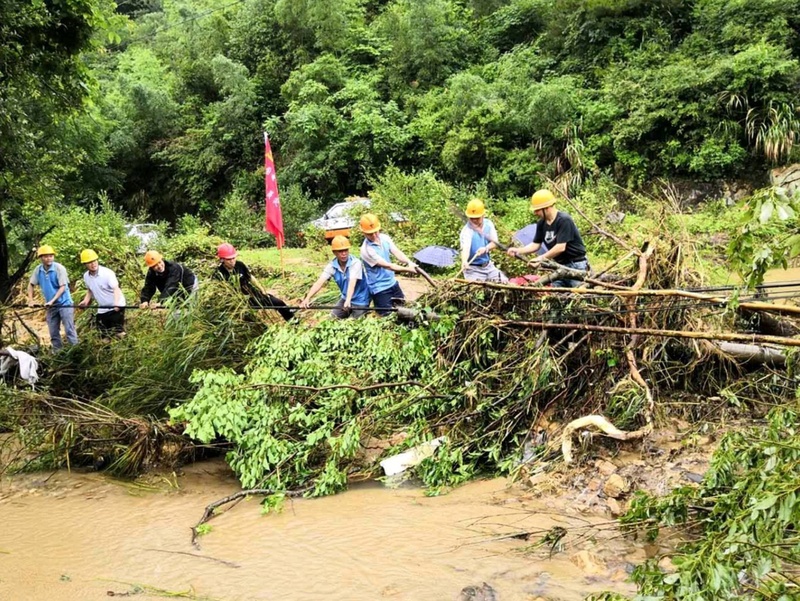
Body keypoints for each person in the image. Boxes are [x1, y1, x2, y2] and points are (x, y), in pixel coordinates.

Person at [507, 189, 589, 288]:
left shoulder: (564, 220)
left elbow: (560, 247)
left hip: (575, 265)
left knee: (579, 296)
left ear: (546, 208)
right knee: (557, 296)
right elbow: (535, 245)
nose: (535, 213)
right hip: (558, 266)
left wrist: (540, 259)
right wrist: (518, 251)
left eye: (537, 210)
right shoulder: (541, 223)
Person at [214, 243, 294, 322]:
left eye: (233, 258)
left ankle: (292, 320)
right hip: (236, 302)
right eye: (229, 259)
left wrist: (262, 290)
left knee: (277, 302)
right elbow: (219, 292)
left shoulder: (240, 265)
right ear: (222, 259)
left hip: (251, 294)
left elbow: (251, 277)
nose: (232, 261)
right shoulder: (219, 273)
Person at [358, 213, 416, 316]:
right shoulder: (366, 250)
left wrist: (409, 262)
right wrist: (408, 269)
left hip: (392, 283)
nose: (374, 235)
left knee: (405, 313)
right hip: (380, 289)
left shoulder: (384, 238)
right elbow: (388, 266)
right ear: (363, 233)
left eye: (376, 232)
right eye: (370, 234)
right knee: (387, 318)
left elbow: (397, 252)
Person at [300, 236, 371, 319]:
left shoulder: (355, 263)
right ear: (334, 252)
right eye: (340, 251)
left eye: (346, 250)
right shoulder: (332, 266)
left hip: (361, 298)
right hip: (345, 297)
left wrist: (348, 301)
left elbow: (352, 282)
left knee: (356, 322)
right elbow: (319, 283)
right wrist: (308, 298)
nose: (344, 253)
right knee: (333, 318)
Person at [26, 244, 79, 350]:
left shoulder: (59, 269)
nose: (49, 258)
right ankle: (57, 353)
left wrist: (52, 301)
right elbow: (31, 284)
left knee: (69, 329)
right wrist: (30, 300)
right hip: (51, 306)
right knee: (53, 331)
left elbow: (63, 287)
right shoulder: (38, 270)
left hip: (65, 304)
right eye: (46, 256)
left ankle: (75, 351)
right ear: (41, 258)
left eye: (51, 256)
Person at [77, 249, 126, 335]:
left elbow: (116, 289)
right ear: (85, 264)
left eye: (94, 261)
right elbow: (90, 290)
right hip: (103, 308)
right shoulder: (86, 276)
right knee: (103, 335)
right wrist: (85, 301)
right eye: (89, 262)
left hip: (116, 306)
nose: (93, 264)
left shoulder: (107, 273)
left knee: (118, 333)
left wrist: (116, 303)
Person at [459, 198, 508, 283]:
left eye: (477, 218)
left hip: (488, 267)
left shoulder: (489, 224)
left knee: (505, 282)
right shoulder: (467, 231)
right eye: (471, 218)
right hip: (473, 269)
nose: (474, 220)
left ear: (483, 215)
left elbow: (495, 243)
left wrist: (485, 249)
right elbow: (465, 248)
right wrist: (464, 261)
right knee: (476, 291)